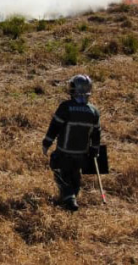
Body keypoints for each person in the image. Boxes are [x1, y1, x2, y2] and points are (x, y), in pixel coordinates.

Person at [42, 74, 102, 211]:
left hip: (64, 152)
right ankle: (71, 200)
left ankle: (69, 199)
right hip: (82, 154)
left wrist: (46, 143)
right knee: (75, 176)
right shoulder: (94, 112)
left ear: (77, 90)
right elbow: (96, 134)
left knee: (59, 172)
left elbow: (54, 127)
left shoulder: (66, 107)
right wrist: (95, 151)